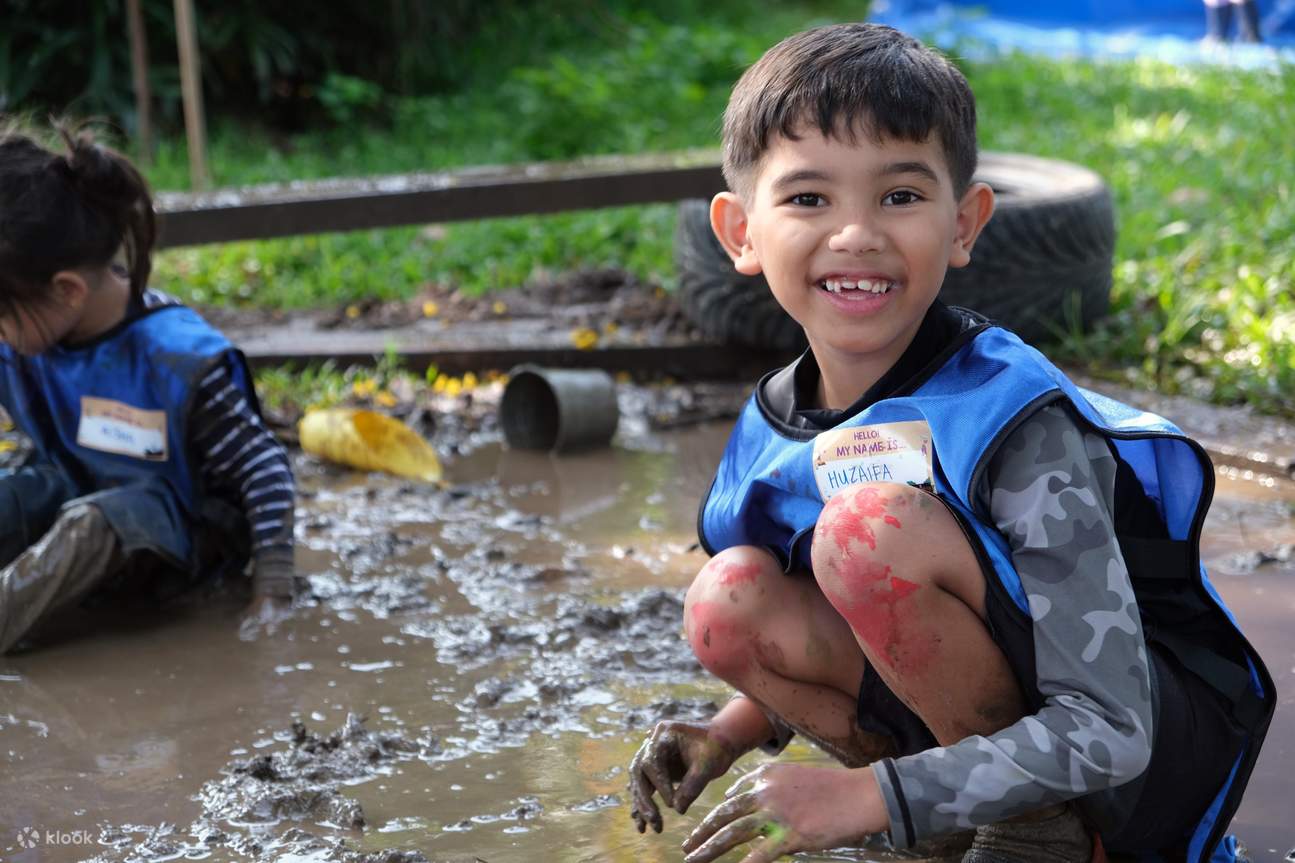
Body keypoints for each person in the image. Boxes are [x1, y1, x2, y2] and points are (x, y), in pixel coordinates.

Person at [626, 23, 1273, 863]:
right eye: (807, 198)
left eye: (898, 196)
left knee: (868, 533)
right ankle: (940, 824)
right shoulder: (774, 425)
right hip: (967, 751)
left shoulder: (1010, 417)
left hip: (1129, 774)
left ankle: (1037, 832)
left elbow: (1113, 728)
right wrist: (726, 731)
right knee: (727, 599)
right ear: (739, 233)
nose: (854, 233)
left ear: (964, 223)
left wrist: (865, 796)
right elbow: (838, 628)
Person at [0, 122, 297, 653]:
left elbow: (266, 470)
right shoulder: (28, 341)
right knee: (15, 492)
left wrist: (272, 595)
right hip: (76, 485)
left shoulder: (178, 362)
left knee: (94, 522)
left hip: (177, 532)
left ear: (65, 291)